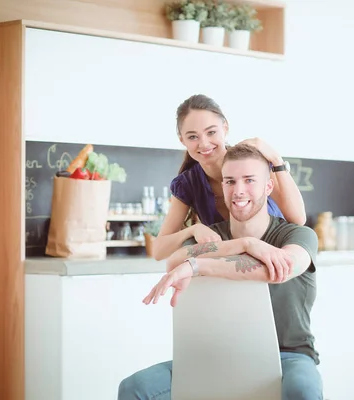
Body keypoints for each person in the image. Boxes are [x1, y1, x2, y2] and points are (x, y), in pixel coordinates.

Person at [118, 143, 323, 400]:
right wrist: (245, 244)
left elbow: (277, 269)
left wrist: (198, 265)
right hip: (217, 357)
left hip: (289, 355)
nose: (238, 191)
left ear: (268, 186)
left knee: (302, 392)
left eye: (249, 180)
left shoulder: (298, 234)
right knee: (134, 388)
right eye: (230, 181)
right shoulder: (211, 236)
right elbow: (173, 262)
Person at [152, 94, 307, 261]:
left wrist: (275, 159)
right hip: (229, 273)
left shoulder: (250, 162)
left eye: (211, 132)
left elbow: (298, 219)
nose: (204, 144)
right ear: (182, 140)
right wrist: (193, 230)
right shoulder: (188, 183)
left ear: (225, 128)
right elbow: (159, 251)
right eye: (192, 137)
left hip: (275, 260)